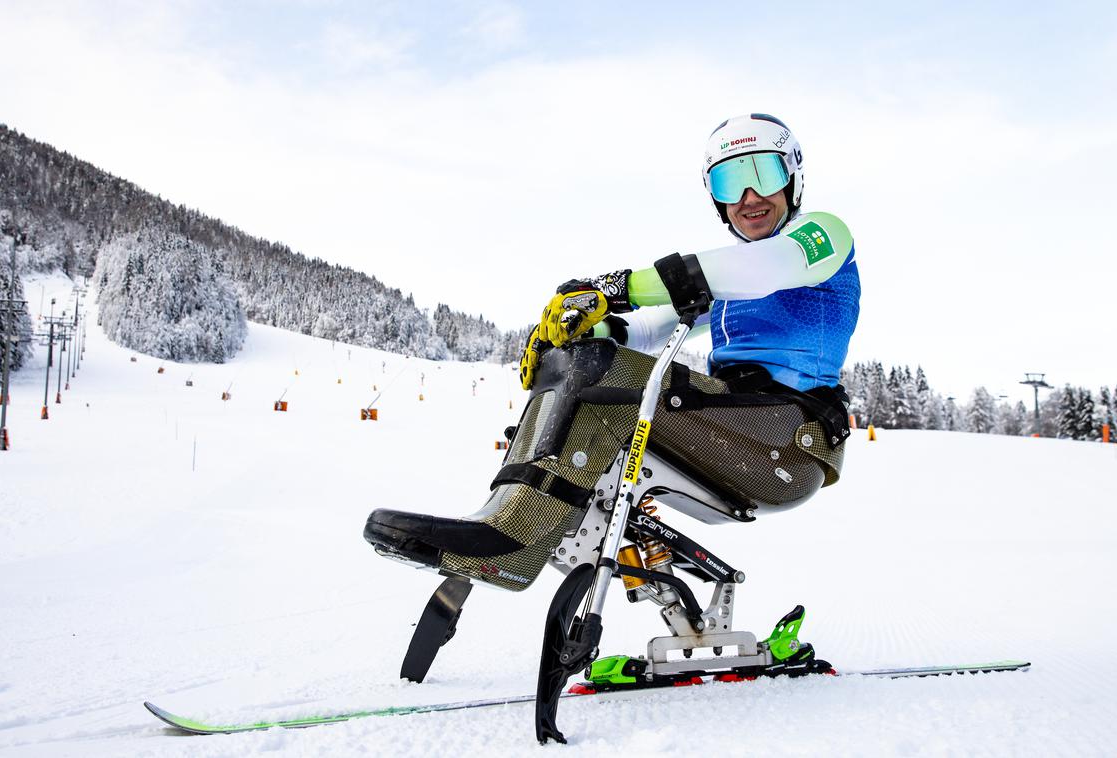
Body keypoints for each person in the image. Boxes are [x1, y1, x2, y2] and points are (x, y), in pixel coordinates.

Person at [364, 113, 859, 663]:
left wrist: (617, 288)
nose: (747, 196)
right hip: (733, 435)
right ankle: (507, 533)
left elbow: (767, 267)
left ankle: (515, 539)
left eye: (762, 174)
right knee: (590, 364)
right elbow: (641, 328)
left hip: (788, 442)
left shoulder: (821, 238)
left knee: (604, 371)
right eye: (727, 183)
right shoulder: (725, 287)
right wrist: (573, 333)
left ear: (792, 176)